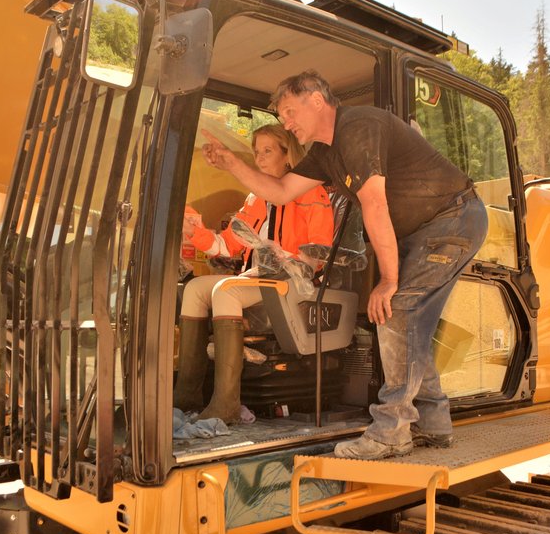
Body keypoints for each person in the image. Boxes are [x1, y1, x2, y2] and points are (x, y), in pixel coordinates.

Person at [201, 70, 488, 460]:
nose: (286, 123)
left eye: (289, 111)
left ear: (316, 100)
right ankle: (434, 426)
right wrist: (232, 163)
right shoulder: (326, 151)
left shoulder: (359, 127)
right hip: (426, 230)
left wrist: (388, 279)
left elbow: (374, 203)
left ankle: (391, 432)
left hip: (451, 221)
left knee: (395, 309)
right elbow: (282, 191)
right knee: (412, 323)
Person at [174, 123, 334, 424]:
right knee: (195, 289)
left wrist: (284, 255)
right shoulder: (254, 199)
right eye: (256, 152)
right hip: (258, 277)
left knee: (226, 290)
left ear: (287, 157)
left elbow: (318, 256)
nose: (259, 159)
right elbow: (226, 246)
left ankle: (226, 405)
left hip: (294, 281)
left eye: (268, 151)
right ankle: (187, 397)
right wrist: (194, 233)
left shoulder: (313, 193)